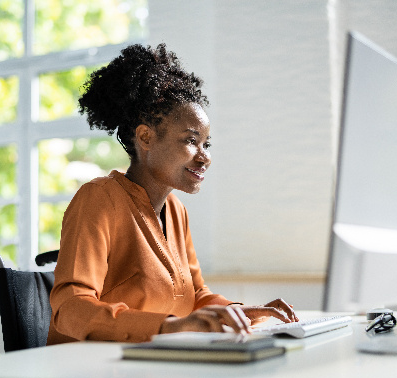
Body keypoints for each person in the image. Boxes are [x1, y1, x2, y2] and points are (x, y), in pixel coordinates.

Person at [47, 43, 297, 345]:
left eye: (207, 144)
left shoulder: (176, 211)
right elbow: (71, 308)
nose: (204, 157)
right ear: (145, 137)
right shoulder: (98, 199)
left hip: (151, 370)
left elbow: (195, 296)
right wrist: (168, 327)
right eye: (191, 141)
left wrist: (240, 312)